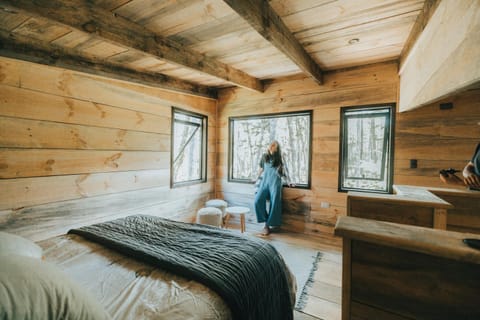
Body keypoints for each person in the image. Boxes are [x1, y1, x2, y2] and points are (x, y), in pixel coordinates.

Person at [254, 140, 294, 236]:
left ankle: (267, 226)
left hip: (275, 182)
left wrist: (289, 181)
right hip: (265, 181)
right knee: (257, 200)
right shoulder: (264, 157)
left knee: (275, 202)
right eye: (271, 145)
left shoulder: (280, 157)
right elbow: (261, 169)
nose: (272, 147)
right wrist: (255, 179)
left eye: (274, 146)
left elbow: (286, 170)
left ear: (277, 148)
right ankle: (265, 220)